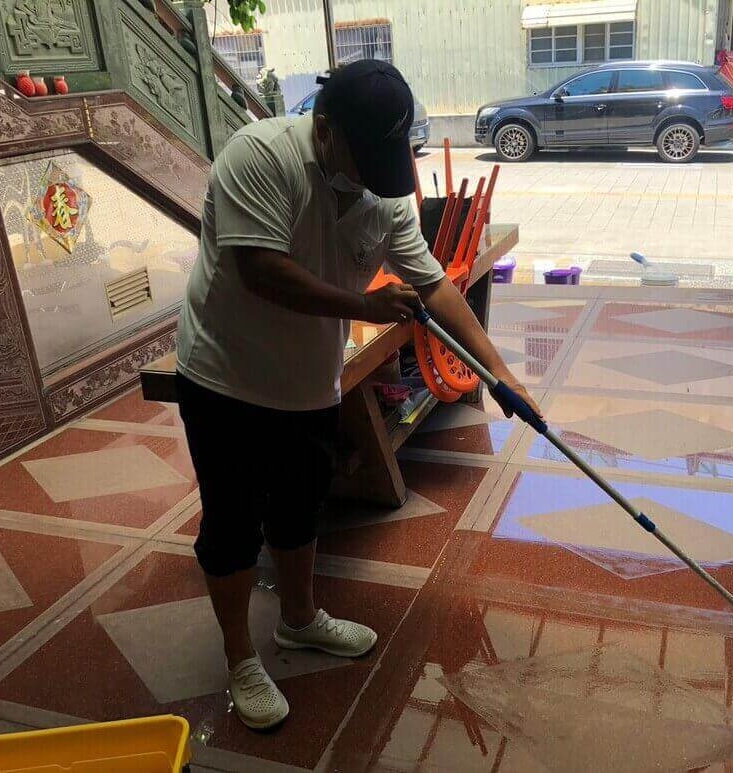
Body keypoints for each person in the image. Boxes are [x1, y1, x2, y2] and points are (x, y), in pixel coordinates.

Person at [175, 60, 539, 730]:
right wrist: (364, 304)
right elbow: (261, 272)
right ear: (325, 130)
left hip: (309, 378)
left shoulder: (381, 185)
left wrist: (502, 374)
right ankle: (240, 657)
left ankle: (299, 619)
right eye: (366, 157)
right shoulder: (259, 157)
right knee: (232, 525)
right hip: (227, 374)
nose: (378, 176)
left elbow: (433, 285)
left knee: (299, 505)